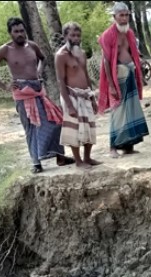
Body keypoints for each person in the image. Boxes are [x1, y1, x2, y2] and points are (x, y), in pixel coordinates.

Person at [0, 17, 72, 174]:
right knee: (31, 128)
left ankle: (60, 157)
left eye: (22, 31)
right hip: (22, 93)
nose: (20, 34)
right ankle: (36, 163)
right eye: (16, 31)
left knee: (55, 121)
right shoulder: (5, 50)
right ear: (10, 33)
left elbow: (43, 59)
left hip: (38, 90)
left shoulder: (32, 46)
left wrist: (39, 71)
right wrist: (5, 86)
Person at [98, 2, 149, 159]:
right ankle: (112, 147)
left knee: (132, 109)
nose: (124, 18)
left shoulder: (129, 33)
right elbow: (106, 61)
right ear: (114, 17)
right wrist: (111, 85)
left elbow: (134, 52)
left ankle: (128, 147)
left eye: (127, 15)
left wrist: (139, 70)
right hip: (117, 75)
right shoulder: (107, 35)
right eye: (121, 15)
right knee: (118, 112)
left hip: (131, 73)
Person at [55, 22, 101, 169]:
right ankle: (78, 160)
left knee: (89, 125)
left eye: (78, 35)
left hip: (85, 95)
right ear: (65, 36)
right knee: (74, 129)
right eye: (72, 35)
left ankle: (87, 157)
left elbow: (86, 76)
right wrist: (69, 105)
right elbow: (60, 80)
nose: (76, 38)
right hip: (70, 95)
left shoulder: (81, 53)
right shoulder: (60, 55)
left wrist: (93, 97)